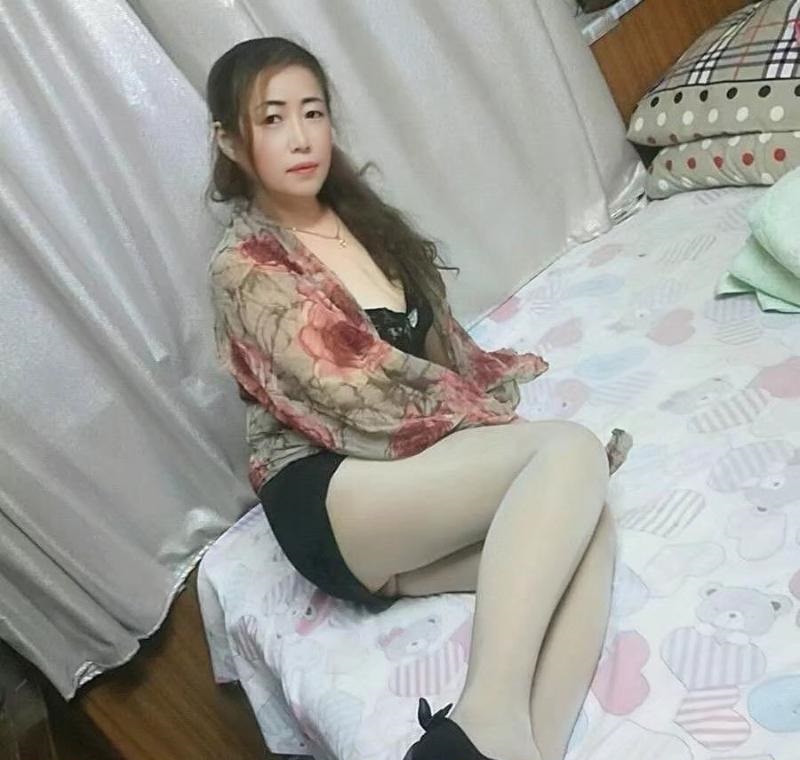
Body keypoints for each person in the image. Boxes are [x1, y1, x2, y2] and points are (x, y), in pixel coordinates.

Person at [206, 36, 629, 760]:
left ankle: (524, 750)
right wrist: (503, 439)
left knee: (590, 529)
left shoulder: (360, 219)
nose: (301, 136)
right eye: (272, 119)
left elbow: (435, 353)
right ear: (230, 142)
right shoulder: (245, 267)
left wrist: (492, 432)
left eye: (313, 112)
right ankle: (481, 718)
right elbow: (360, 397)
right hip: (327, 489)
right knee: (568, 454)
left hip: (402, 478)